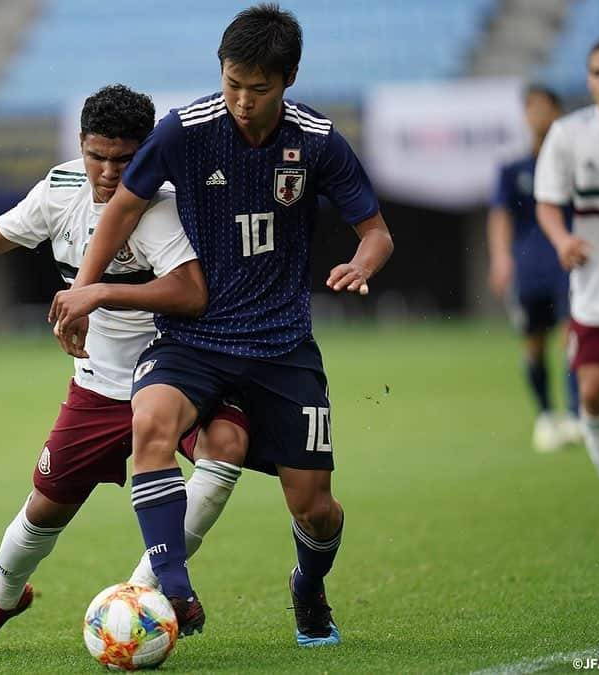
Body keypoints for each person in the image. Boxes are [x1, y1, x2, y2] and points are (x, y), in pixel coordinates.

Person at [0, 84, 250, 651]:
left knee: (226, 447)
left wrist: (98, 294)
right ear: (81, 147)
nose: (109, 171)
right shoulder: (61, 187)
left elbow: (191, 294)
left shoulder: (163, 205)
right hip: (98, 387)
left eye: (125, 158)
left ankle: (146, 595)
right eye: (98, 155)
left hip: (177, 376)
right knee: (43, 511)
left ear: (148, 152)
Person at [50, 4, 394, 647]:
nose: (240, 98)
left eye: (257, 88)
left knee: (314, 509)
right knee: (150, 422)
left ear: (287, 78)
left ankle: (309, 584)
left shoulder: (318, 141)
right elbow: (122, 207)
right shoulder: (187, 129)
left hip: (281, 345)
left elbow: (376, 233)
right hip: (194, 338)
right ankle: (173, 587)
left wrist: (359, 262)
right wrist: (83, 290)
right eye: (232, 82)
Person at [534, 36, 599, 534]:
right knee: (591, 394)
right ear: (589, 80)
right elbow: (548, 202)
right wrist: (562, 238)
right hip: (597, 289)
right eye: (598, 73)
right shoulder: (569, 134)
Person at [487, 85, 581, 452]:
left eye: (544, 108)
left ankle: (575, 414)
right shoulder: (513, 169)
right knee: (534, 344)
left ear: (557, 112)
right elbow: (500, 216)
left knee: (572, 337)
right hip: (529, 268)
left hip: (569, 263)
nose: (538, 115)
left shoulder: (574, 164)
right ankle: (546, 415)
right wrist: (500, 257)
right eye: (531, 109)